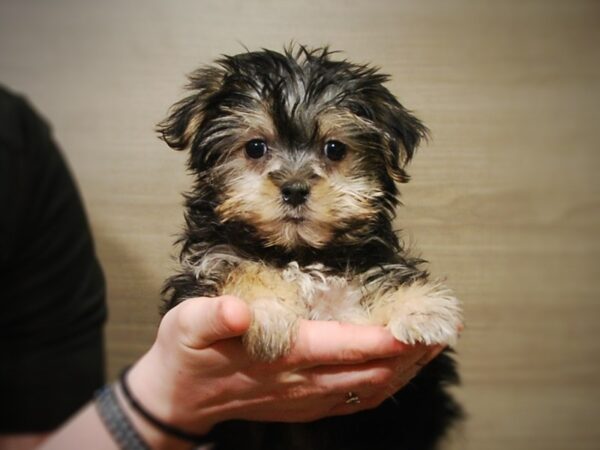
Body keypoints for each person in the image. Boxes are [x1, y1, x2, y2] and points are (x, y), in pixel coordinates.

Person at [0, 87, 443, 449]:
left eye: (333, 150)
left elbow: (420, 322)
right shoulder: (224, 264)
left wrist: (407, 307)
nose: (293, 181)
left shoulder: (18, 147)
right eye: (256, 149)